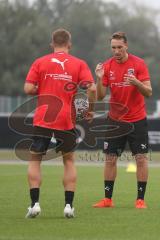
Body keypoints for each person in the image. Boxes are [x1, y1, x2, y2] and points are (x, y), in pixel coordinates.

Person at [24, 28, 96, 218]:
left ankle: (35, 204)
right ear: (69, 44)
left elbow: (28, 88)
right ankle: (68, 206)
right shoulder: (79, 64)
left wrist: (42, 89)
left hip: (43, 118)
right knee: (69, 161)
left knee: (35, 160)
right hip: (66, 119)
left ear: (52, 44)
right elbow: (92, 88)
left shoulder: (40, 62)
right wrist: (89, 109)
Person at [93, 31, 152, 209]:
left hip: (137, 119)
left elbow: (148, 92)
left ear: (126, 46)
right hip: (115, 120)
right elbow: (100, 96)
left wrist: (136, 83)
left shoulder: (139, 64)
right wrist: (100, 78)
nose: (116, 51)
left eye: (119, 47)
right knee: (110, 159)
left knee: (141, 159)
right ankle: (107, 200)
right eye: (113, 48)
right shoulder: (107, 66)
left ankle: (140, 200)